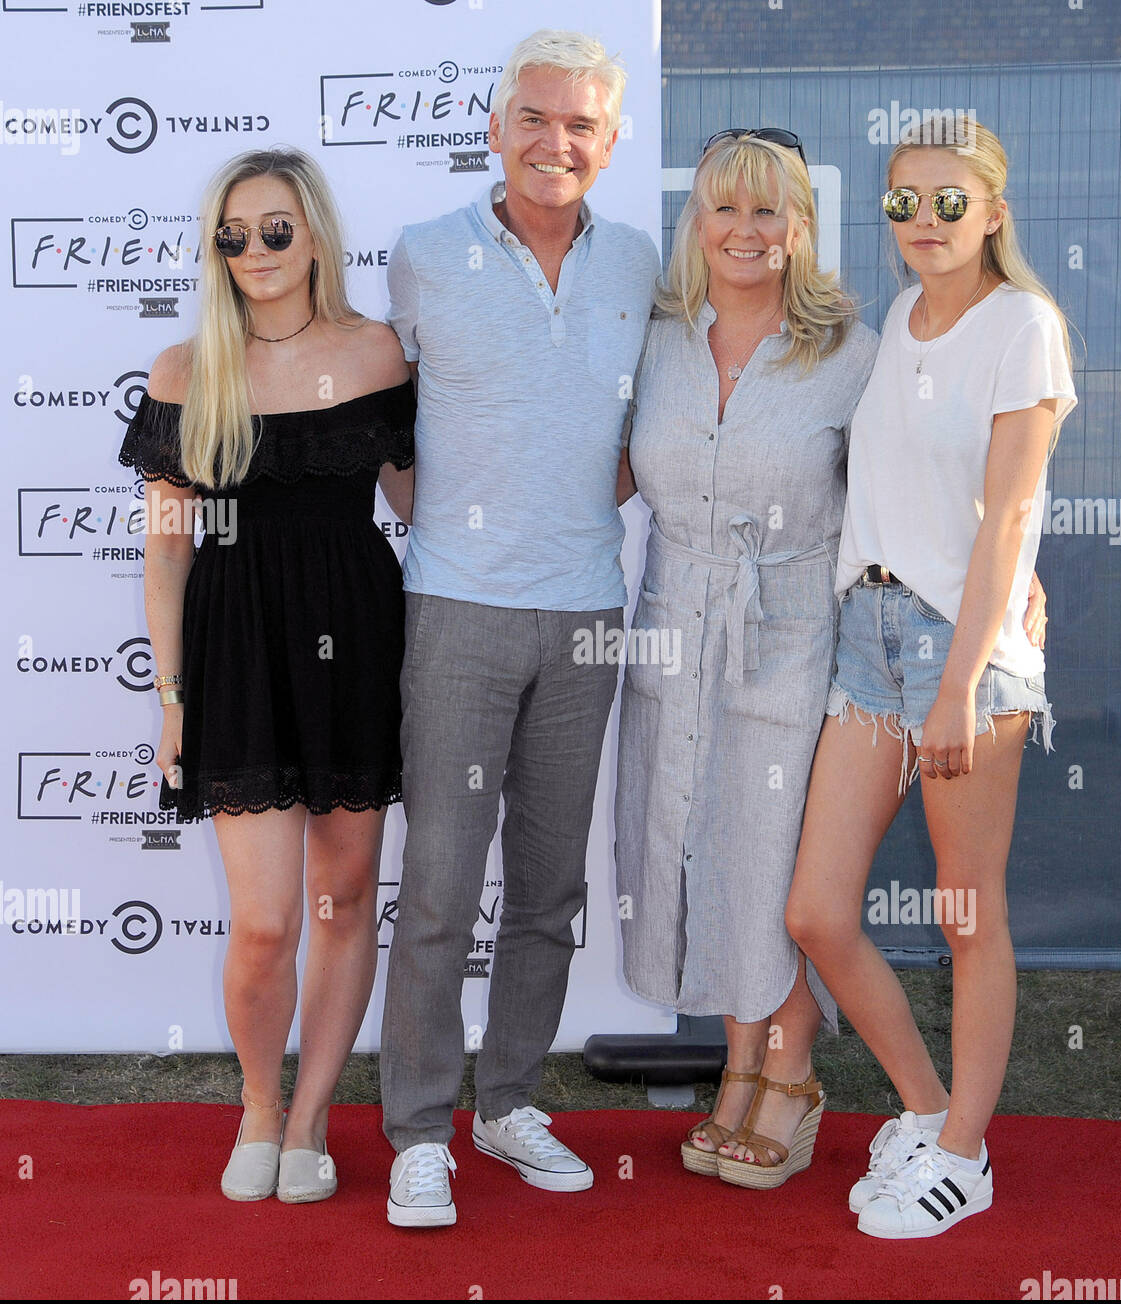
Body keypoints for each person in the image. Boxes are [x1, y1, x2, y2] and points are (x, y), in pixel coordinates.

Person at [380, 29, 661, 1228]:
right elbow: (384, 424)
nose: (558, 142)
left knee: (548, 886)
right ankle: (416, 1130)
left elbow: (650, 432)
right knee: (442, 885)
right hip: (456, 610)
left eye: (582, 126)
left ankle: (507, 1103)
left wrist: (558, 517)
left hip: (588, 614)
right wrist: (457, 531)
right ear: (494, 128)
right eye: (535, 118)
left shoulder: (641, 262)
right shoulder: (425, 256)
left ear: (610, 143)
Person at [785, 114, 1076, 1236]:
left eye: (947, 201)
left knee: (965, 914)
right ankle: (924, 1106)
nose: (921, 220)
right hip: (866, 635)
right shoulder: (893, 320)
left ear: (993, 211)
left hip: (966, 652)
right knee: (815, 909)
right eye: (903, 199)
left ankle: (965, 1152)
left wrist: (960, 682)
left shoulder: (1024, 326)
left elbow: (1008, 513)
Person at [120, 147, 415, 1204]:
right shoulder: (186, 370)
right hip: (237, 648)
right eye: (232, 235)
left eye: (275, 230)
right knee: (263, 922)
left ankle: (311, 1115)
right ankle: (257, 1103)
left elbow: (424, 506)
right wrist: (173, 700)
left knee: (343, 899)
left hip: (355, 640)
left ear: (318, 235)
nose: (254, 251)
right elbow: (166, 551)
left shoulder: (378, 354)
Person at [614, 130, 877, 1189]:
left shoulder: (853, 350)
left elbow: (900, 495)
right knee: (688, 845)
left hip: (792, 632)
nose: (745, 231)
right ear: (696, 222)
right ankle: (738, 1062)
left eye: (769, 210)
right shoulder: (658, 336)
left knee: (766, 854)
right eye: (725, 208)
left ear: (800, 226)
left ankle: (790, 1061)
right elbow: (597, 467)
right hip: (671, 621)